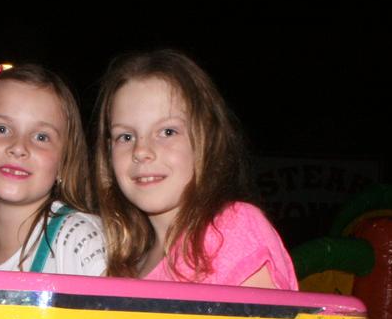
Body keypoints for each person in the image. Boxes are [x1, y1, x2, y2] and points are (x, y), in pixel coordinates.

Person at [92, 50, 296, 289]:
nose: (141, 150)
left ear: (206, 140)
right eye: (125, 136)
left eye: (167, 132)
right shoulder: (123, 267)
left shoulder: (232, 230)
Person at [0, 64, 105, 275]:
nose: (19, 147)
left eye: (41, 137)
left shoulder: (80, 241)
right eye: (1, 129)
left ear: (64, 162)